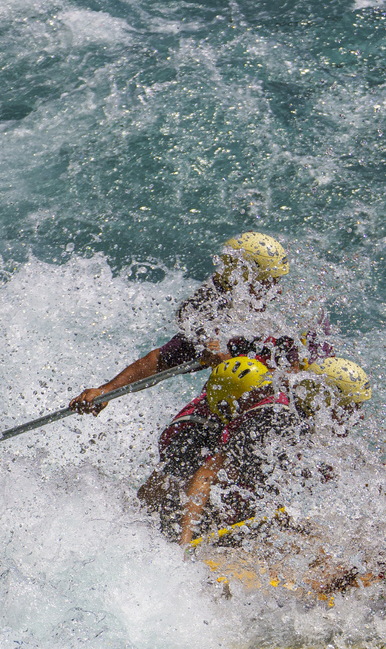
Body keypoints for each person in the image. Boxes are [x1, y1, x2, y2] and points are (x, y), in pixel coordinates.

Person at [69, 232, 324, 414]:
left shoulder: (295, 320)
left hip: (285, 409)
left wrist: (231, 364)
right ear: (240, 280)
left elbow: (301, 380)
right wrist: (107, 391)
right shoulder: (219, 322)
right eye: (268, 283)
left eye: (276, 282)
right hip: (236, 406)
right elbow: (159, 361)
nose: (277, 292)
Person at [159, 356, 293, 545]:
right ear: (229, 404)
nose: (266, 400)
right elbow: (203, 478)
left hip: (234, 486)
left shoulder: (266, 411)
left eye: (266, 391)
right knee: (175, 485)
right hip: (186, 504)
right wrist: (184, 541)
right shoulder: (193, 432)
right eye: (257, 396)